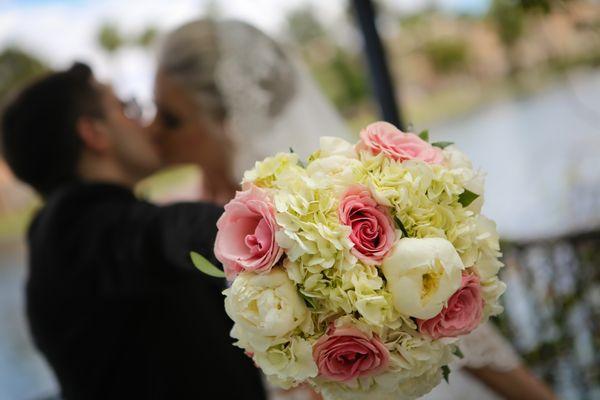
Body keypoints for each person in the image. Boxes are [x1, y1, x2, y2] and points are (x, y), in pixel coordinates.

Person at [150, 18, 557, 400]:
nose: (153, 132)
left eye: (170, 118)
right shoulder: (191, 215)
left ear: (226, 120)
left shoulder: (319, 211)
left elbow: (454, 328)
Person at [0, 63, 266, 400]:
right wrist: (257, 229)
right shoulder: (72, 231)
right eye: (126, 108)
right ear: (93, 134)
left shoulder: (79, 226)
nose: (146, 124)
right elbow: (159, 234)